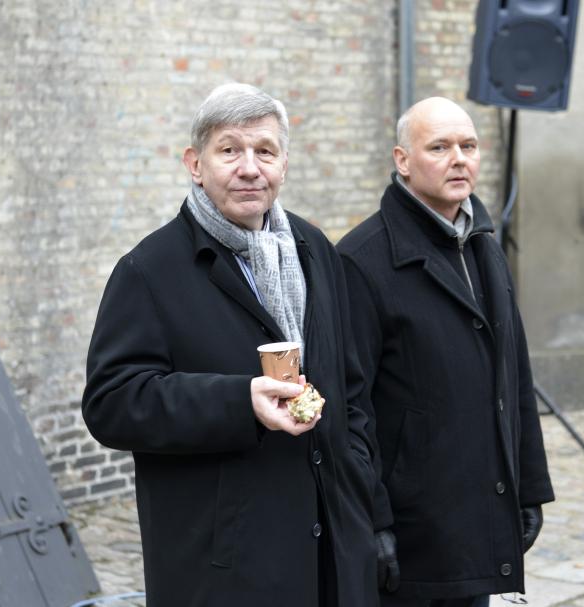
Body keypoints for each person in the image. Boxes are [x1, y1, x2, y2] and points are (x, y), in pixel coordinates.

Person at [82, 83, 378, 607]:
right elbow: (112, 404)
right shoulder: (149, 271)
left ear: (284, 164)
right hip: (225, 564)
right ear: (196, 164)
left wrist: (356, 476)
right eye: (229, 150)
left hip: (331, 550)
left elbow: (352, 385)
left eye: (264, 150)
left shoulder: (315, 251)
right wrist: (240, 402)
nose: (249, 167)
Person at [337, 96, 555, 606]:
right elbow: (351, 406)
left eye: (469, 146)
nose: (459, 158)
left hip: (479, 510)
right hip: (414, 524)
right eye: (439, 146)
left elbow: (514, 375)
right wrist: (373, 518)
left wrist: (529, 486)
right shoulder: (361, 262)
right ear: (403, 160)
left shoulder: (485, 247)